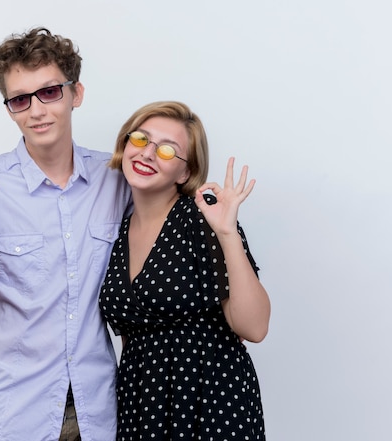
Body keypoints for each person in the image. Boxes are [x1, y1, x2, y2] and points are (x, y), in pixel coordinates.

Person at [0, 27, 132, 441]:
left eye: (50, 92)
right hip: (11, 419)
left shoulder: (116, 180)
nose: (37, 110)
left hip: (99, 417)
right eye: (21, 99)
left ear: (75, 93)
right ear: (9, 109)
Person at [98, 101, 271, 440]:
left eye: (166, 150)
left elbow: (255, 327)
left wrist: (227, 233)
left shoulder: (201, 219)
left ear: (186, 173)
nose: (147, 153)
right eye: (140, 139)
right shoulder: (115, 230)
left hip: (210, 400)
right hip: (141, 402)